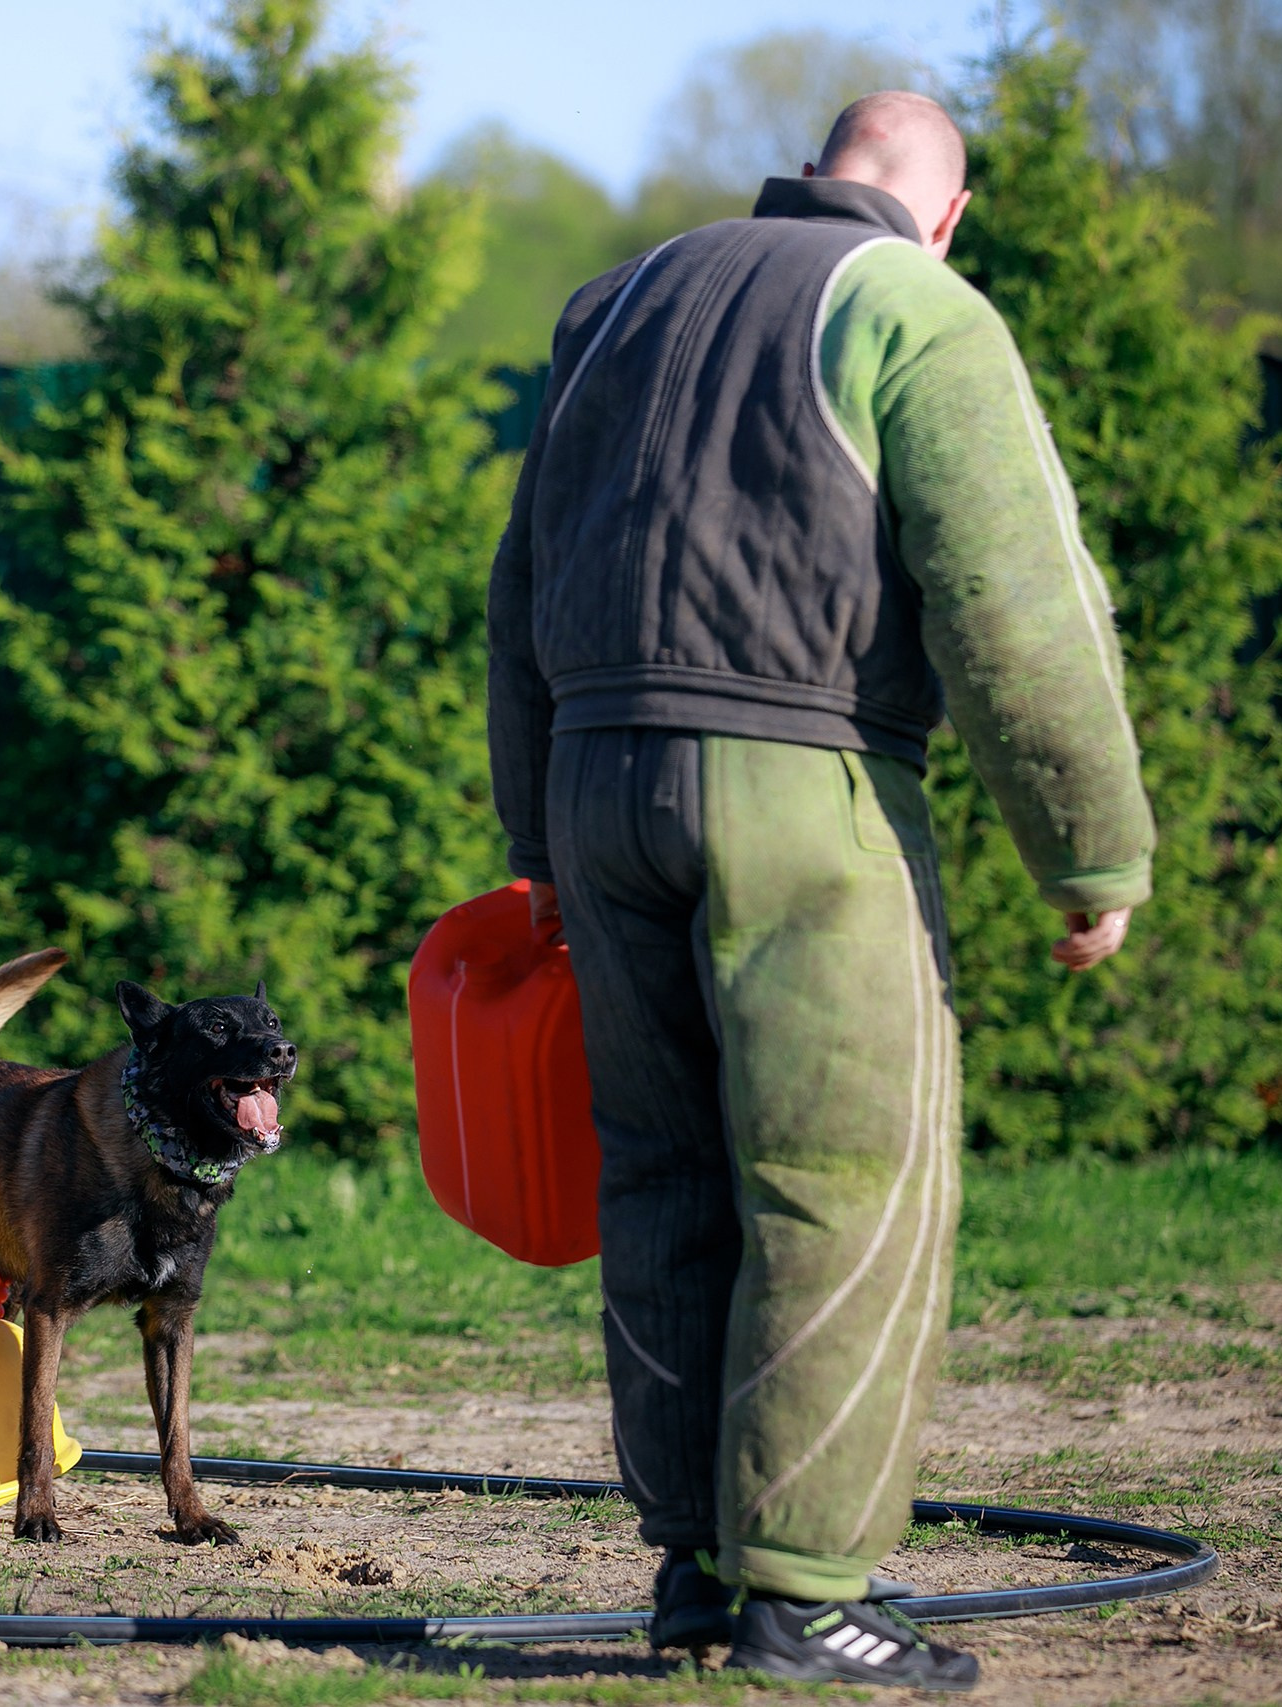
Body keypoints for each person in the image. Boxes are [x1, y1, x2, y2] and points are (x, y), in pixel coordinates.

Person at [485, 92, 1155, 1691]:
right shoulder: (916, 304)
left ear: (805, 170)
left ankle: (694, 1574)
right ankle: (804, 1594)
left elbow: (518, 584)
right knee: (842, 1181)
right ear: (948, 213)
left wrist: (536, 843)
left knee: (663, 1175)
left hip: (595, 781)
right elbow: (1014, 593)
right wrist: (1089, 849)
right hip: (804, 786)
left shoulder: (615, 304)